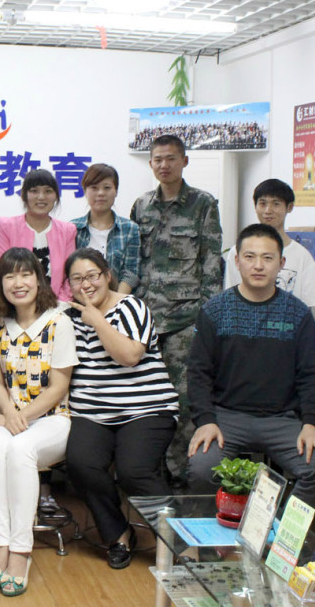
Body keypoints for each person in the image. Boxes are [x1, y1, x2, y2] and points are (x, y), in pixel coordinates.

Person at [186, 224, 315, 511]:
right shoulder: (215, 311)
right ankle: (221, 533)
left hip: (283, 419)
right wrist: (205, 420)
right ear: (237, 261)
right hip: (226, 417)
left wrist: (311, 424)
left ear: (281, 263)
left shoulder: (297, 314)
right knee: (203, 469)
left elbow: (313, 375)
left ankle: (278, 532)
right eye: (250, 257)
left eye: (268, 258)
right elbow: (198, 373)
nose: (258, 265)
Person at [61, 249, 178, 570]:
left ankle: (177, 541)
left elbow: (129, 356)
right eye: (77, 279)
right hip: (93, 412)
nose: (86, 284)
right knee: (81, 464)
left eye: (92, 276)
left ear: (108, 275)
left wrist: (98, 321)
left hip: (146, 409)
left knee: (134, 471)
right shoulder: (68, 317)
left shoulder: (132, 307)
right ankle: (118, 534)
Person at [0, 248, 77, 597]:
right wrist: (8, 415)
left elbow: (59, 386)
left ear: (38, 279)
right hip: (12, 417)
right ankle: (1, 546)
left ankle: (21, 552)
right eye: (9, 276)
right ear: (0, 283)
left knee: (20, 449)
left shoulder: (59, 321)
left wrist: (17, 417)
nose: (18, 283)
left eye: (25, 274)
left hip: (52, 420)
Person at [130, 134, 222, 487]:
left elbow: (212, 263)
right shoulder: (141, 206)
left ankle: (182, 474)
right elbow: (133, 261)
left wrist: (207, 320)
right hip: (146, 320)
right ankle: (149, 473)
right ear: (150, 164)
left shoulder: (203, 204)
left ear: (184, 161)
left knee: (184, 399)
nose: (164, 165)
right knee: (147, 398)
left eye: (171, 158)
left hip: (186, 319)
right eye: (158, 159)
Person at [223, 178, 315, 307]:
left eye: (276, 204)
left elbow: (308, 306)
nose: (268, 210)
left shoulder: (302, 257)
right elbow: (230, 299)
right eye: (262, 203)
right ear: (255, 206)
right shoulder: (238, 252)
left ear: (289, 207)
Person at [0, 169, 76, 302]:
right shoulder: (6, 226)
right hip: (16, 304)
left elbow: (71, 275)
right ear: (24, 195)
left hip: (57, 307)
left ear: (56, 196)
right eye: (34, 191)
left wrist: (58, 306)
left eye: (48, 191)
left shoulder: (68, 231)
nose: (41, 197)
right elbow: (2, 270)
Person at [70, 163, 140, 294]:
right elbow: (69, 272)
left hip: (118, 299)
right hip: (81, 299)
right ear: (85, 191)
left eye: (107, 188)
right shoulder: (72, 229)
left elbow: (130, 272)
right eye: (94, 188)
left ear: (116, 191)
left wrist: (116, 302)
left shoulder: (130, 229)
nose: (101, 193)